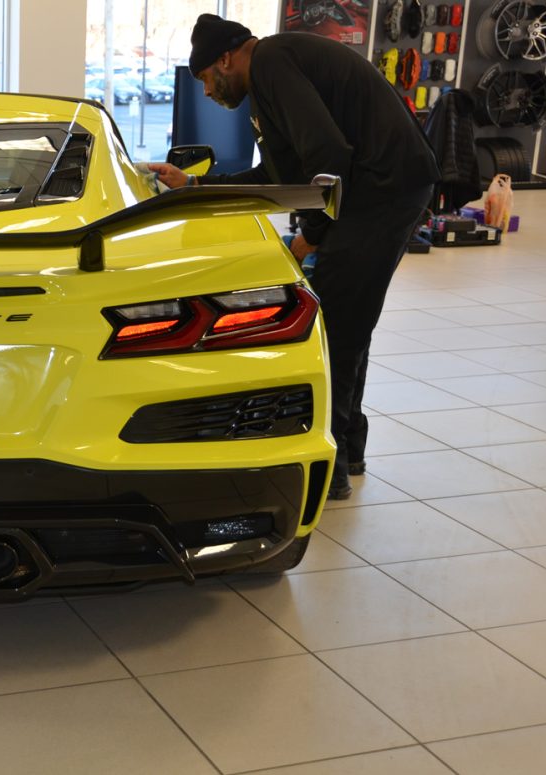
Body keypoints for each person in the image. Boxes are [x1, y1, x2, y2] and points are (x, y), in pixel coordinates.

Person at [151, 14, 438, 500]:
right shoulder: (268, 76)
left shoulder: (273, 63)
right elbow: (279, 174)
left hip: (381, 189)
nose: (205, 92)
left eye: (204, 79)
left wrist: (315, 234)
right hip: (382, 185)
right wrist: (196, 187)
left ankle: (334, 467)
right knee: (351, 315)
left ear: (225, 58)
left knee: (335, 328)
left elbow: (327, 154)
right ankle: (351, 446)